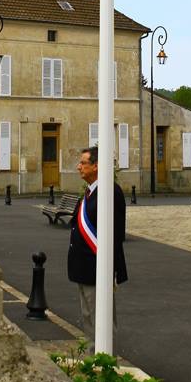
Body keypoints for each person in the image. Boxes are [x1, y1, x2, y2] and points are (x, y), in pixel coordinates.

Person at [67, 146, 127, 350]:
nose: (79, 167)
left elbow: (116, 234)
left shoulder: (110, 192)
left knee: (102, 317)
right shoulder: (91, 191)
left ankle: (105, 360)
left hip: (97, 267)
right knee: (88, 316)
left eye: (83, 163)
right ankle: (94, 358)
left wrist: (109, 266)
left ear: (96, 166)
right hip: (84, 267)